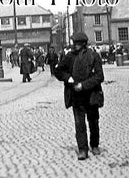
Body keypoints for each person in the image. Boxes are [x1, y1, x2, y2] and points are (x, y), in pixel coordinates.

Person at [54, 32, 104, 160]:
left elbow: (99, 76)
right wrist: (68, 78)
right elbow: (58, 71)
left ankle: (94, 145)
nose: (75, 46)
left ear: (83, 44)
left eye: (77, 44)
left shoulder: (94, 56)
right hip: (76, 96)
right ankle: (82, 149)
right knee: (79, 124)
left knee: (93, 122)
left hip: (91, 94)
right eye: (74, 43)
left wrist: (84, 85)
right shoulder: (69, 57)